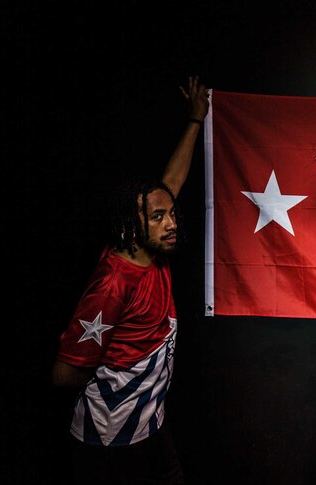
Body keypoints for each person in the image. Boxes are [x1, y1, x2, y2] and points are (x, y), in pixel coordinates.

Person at [51, 76, 209, 484]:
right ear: (130, 227)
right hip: (109, 442)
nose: (172, 223)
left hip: (150, 425)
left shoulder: (151, 246)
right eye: (159, 218)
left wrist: (195, 120)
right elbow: (64, 375)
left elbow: (169, 185)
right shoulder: (113, 285)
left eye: (171, 214)